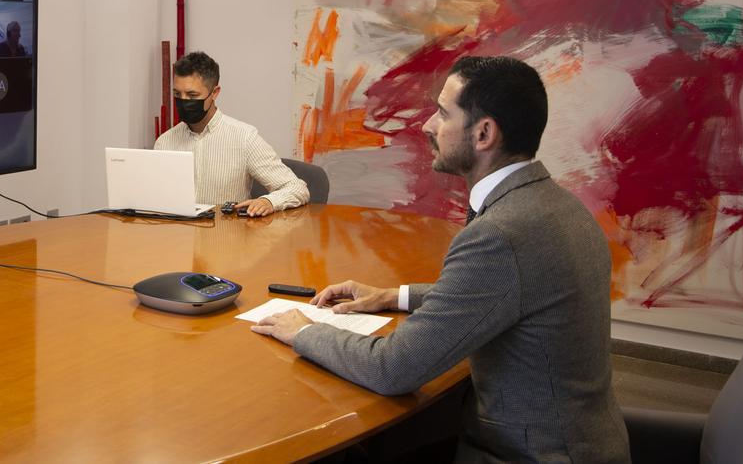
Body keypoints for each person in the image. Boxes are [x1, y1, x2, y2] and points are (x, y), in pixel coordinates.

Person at [251, 56, 630, 463]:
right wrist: (392, 296)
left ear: (484, 133)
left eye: (443, 113)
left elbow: (392, 370)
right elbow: (502, 290)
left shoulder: (500, 235)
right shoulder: (555, 205)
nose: (428, 125)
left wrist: (304, 331)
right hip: (581, 440)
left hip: (528, 453)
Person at [154, 51, 308, 217]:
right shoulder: (165, 142)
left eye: (192, 95)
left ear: (214, 93)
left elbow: (297, 188)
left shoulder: (244, 138)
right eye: (177, 94)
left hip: (229, 238)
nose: (183, 101)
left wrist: (268, 202)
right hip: (176, 238)